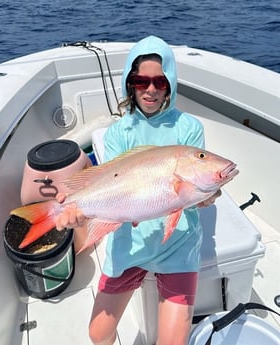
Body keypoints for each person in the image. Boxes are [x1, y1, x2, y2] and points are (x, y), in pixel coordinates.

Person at [56, 35, 221, 345]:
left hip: (179, 247)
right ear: (129, 82)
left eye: (159, 81)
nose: (150, 88)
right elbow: (111, 189)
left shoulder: (189, 127)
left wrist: (208, 195)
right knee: (98, 333)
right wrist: (78, 213)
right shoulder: (119, 132)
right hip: (129, 246)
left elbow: (197, 188)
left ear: (169, 83)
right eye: (141, 80)